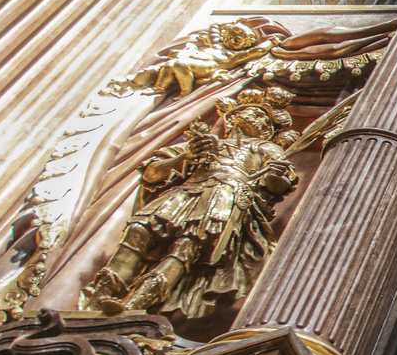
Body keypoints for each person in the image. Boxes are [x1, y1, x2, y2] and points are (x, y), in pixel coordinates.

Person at [80, 87, 299, 320]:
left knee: (188, 245)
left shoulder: (267, 148)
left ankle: (133, 307)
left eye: (265, 120)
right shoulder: (205, 143)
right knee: (138, 230)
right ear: (232, 116)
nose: (259, 120)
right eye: (255, 113)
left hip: (226, 195)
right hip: (187, 190)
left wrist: (277, 175)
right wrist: (185, 157)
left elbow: (279, 187)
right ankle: (97, 303)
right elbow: (152, 174)